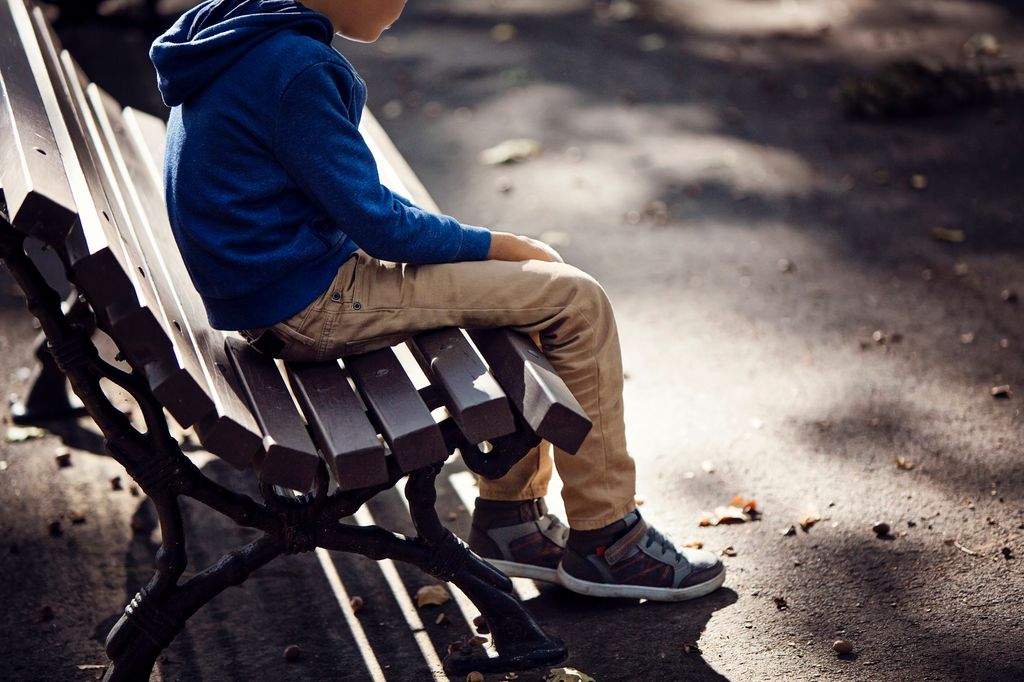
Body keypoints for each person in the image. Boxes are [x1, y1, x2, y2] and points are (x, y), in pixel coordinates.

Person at [150, 0, 725, 601]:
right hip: (315, 304)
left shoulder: (234, 30)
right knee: (574, 300)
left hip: (274, 295)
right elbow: (382, 226)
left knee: (521, 294)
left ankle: (513, 523)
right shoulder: (296, 65)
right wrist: (497, 243)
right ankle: (609, 539)